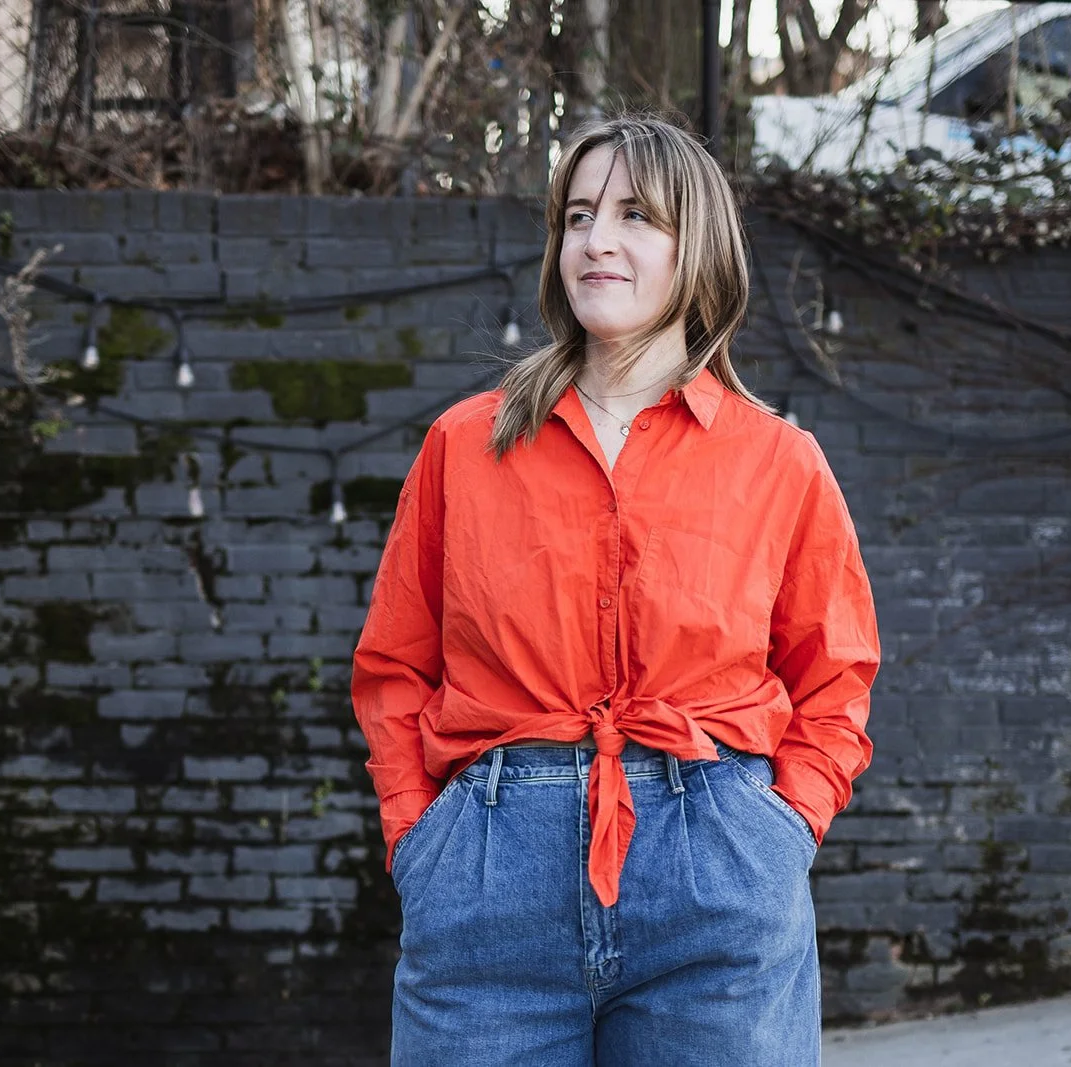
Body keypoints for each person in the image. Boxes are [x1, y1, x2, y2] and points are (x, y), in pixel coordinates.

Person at [350, 113, 881, 1066]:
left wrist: (780, 830)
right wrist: (415, 839)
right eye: (579, 215)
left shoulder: (778, 462)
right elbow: (393, 663)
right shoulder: (464, 446)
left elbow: (836, 677)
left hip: (717, 869)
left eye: (636, 214)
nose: (597, 240)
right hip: (487, 878)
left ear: (699, 247)